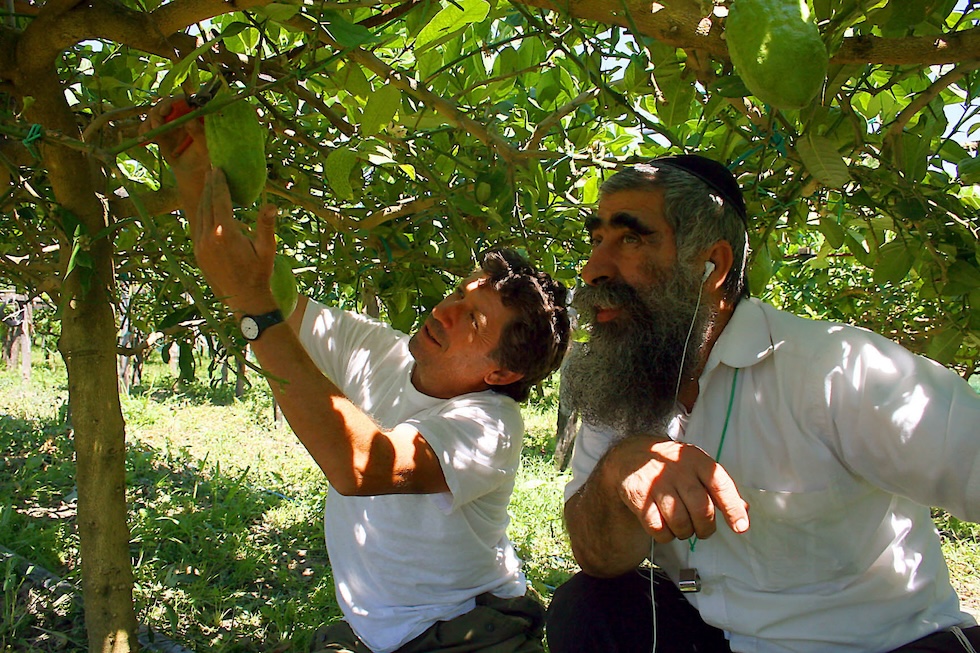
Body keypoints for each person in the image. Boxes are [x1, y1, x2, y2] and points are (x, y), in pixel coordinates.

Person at [141, 97, 571, 653]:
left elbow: (363, 465)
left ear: (502, 371)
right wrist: (194, 169)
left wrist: (253, 304)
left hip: (465, 631)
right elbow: (273, 299)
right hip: (381, 633)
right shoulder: (382, 352)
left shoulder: (493, 425)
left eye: (474, 319)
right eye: (458, 295)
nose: (445, 311)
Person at [546, 154, 980, 653]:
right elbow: (596, 555)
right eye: (597, 239)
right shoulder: (625, 380)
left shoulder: (837, 369)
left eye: (631, 238)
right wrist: (616, 471)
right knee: (587, 608)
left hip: (876, 645)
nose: (593, 269)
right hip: (712, 634)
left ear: (714, 265)